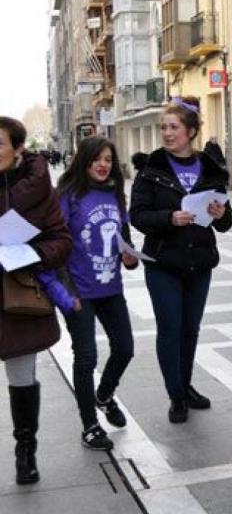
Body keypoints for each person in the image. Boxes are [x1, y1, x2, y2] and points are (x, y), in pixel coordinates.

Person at [130, 96, 232, 424]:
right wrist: (169, 218)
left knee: (190, 329)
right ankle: (176, 395)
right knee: (170, 328)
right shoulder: (151, 169)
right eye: (164, 127)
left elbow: (226, 222)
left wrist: (220, 214)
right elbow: (138, 216)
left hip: (200, 262)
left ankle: (185, 385)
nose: (167, 133)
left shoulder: (211, 168)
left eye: (173, 127)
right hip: (163, 262)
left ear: (191, 132)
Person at [0, 116, 72, 485]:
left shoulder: (40, 189)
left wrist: (29, 253)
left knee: (21, 376)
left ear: (18, 149)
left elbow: (61, 240)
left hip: (18, 295)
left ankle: (25, 450)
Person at [57, 136, 141, 448]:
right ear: (84, 160)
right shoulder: (69, 194)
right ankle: (90, 425)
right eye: (97, 159)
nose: (103, 165)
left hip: (110, 288)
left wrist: (129, 256)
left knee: (125, 348)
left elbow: (124, 240)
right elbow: (56, 242)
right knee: (86, 356)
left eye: (108, 159)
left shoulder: (117, 195)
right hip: (79, 289)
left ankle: (104, 395)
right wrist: (66, 291)